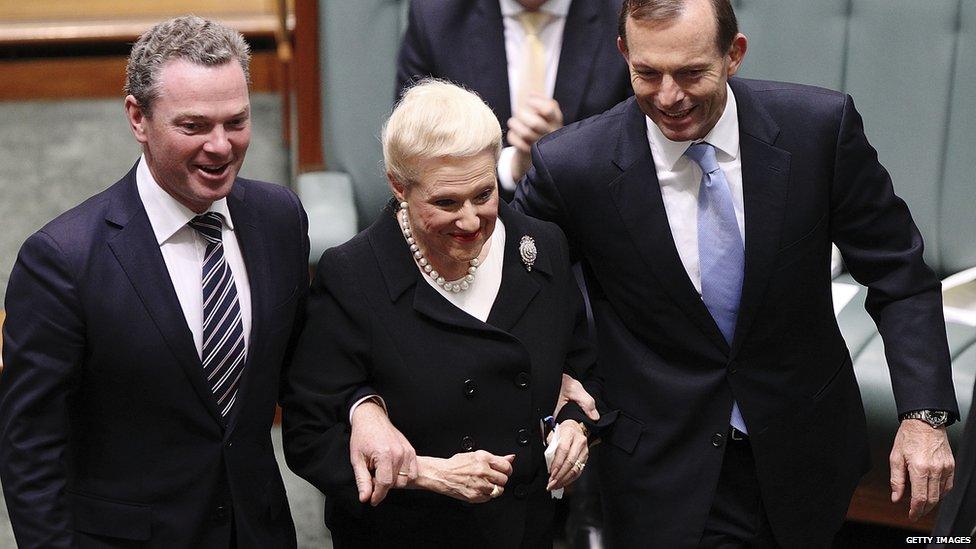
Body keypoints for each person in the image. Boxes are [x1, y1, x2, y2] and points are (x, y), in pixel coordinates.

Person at [510, 0, 958, 546]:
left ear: (734, 55)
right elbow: (520, 289)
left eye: (692, 72)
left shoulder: (817, 131)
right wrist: (556, 378)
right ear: (624, 54)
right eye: (647, 73)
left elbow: (899, 274)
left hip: (806, 454)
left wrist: (924, 416)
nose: (669, 96)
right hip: (662, 469)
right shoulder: (573, 165)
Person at [0, 16, 307, 548]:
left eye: (236, 121)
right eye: (193, 126)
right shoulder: (62, 261)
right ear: (137, 117)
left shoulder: (280, 219)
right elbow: (30, 450)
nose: (221, 146)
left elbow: (306, 371)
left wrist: (363, 407)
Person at [281, 80, 603, 547]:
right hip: (408, 532)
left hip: (522, 529)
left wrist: (574, 423)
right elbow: (309, 432)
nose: (470, 222)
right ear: (399, 186)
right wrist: (426, 474)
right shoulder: (354, 275)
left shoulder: (543, 247)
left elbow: (583, 368)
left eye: (484, 194)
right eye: (445, 203)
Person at [396, 0, 631, 199]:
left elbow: (637, 149)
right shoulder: (436, 15)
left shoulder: (626, 15)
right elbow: (416, 148)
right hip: (471, 226)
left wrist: (557, 153)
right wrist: (512, 167)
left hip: (588, 220)